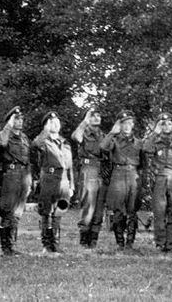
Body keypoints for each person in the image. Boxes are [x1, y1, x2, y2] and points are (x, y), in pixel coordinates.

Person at [142, 112, 172, 253]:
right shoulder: (154, 142)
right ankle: (160, 243)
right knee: (159, 212)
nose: (166, 126)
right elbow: (146, 149)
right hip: (160, 178)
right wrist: (154, 133)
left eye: (169, 123)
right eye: (163, 124)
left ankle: (171, 245)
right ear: (159, 126)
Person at [100, 109, 143, 250]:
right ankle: (120, 243)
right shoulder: (114, 140)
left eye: (129, 123)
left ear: (133, 125)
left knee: (132, 210)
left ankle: (130, 242)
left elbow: (144, 163)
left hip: (133, 175)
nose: (126, 126)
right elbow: (103, 147)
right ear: (119, 125)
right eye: (123, 123)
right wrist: (112, 132)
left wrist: (141, 179)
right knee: (118, 210)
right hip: (118, 174)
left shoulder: (139, 143)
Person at [32, 111, 74, 253]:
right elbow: (36, 144)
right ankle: (46, 244)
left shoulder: (65, 143)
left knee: (59, 212)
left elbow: (70, 167)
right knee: (46, 213)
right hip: (49, 179)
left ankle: (55, 244)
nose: (55, 124)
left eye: (56, 122)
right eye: (51, 122)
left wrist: (71, 185)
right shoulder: (44, 142)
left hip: (63, 181)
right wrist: (46, 130)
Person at [0, 106, 31, 255]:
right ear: (10, 120)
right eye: (16, 119)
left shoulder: (24, 138)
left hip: (23, 174)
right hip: (10, 174)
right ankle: (6, 246)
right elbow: (2, 143)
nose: (20, 121)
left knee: (18, 211)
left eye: (21, 119)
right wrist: (8, 126)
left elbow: (27, 159)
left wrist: (29, 177)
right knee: (8, 210)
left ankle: (12, 245)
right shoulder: (4, 135)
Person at [71, 106, 106, 248]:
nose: (96, 118)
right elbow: (76, 137)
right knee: (88, 204)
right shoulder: (84, 132)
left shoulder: (103, 135)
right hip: (89, 168)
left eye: (98, 115)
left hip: (102, 170)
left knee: (99, 207)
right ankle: (84, 238)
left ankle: (94, 240)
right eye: (93, 115)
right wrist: (84, 121)